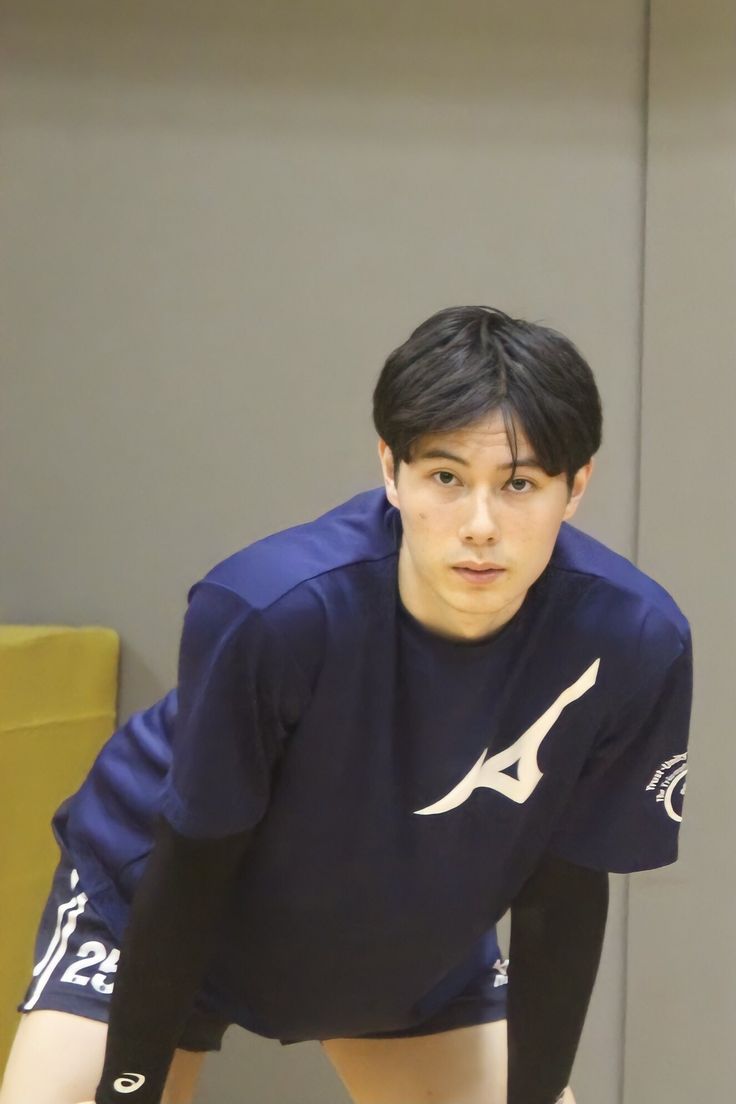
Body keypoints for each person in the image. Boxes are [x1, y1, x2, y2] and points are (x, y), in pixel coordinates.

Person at [0, 305, 693, 1104]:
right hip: (159, 907)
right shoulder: (273, 610)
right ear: (390, 471)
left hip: (411, 936)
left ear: (576, 488)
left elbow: (562, 897)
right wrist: (129, 1090)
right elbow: (191, 863)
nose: (479, 525)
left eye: (520, 485)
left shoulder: (634, 639)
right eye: (445, 478)